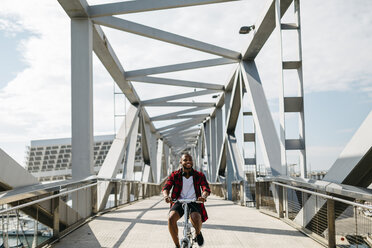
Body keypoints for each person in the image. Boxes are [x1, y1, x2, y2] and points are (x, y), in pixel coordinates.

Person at [162, 153, 210, 248]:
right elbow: (166, 187)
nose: (188, 161)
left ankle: (198, 233)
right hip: (179, 201)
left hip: (194, 201)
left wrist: (203, 197)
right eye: (185, 160)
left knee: (196, 217)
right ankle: (177, 246)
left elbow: (206, 188)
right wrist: (166, 196)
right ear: (180, 162)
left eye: (190, 159)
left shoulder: (199, 175)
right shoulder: (175, 175)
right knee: (171, 219)